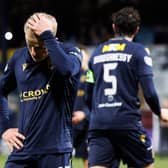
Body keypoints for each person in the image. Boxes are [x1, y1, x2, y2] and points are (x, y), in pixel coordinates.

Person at [85, 7, 168, 168]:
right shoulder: (139, 52)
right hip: (127, 123)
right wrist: (159, 112)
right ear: (137, 30)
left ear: (114, 27)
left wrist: (99, 114)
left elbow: (89, 94)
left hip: (99, 125)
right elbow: (149, 92)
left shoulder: (96, 53)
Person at [0, 12, 82, 168]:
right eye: (29, 45)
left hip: (55, 151)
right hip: (22, 150)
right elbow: (1, 91)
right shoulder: (18, 57)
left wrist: (47, 37)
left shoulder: (69, 52)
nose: (32, 52)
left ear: (51, 40)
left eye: (39, 48)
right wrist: (4, 129)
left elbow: (66, 70)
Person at [72, 45, 90, 168]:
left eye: (84, 55)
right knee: (63, 152)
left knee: (88, 154)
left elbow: (94, 98)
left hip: (87, 120)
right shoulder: (71, 74)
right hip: (70, 120)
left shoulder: (90, 74)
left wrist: (85, 113)